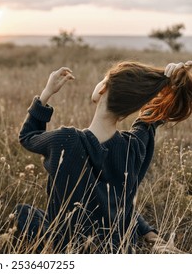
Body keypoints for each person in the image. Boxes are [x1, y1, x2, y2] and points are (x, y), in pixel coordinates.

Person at [15, 60, 192, 253]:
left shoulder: (65, 139)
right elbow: (149, 120)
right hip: (116, 247)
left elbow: (27, 137)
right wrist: (172, 84)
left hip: (67, 248)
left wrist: (46, 93)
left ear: (103, 89)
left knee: (23, 213)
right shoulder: (134, 146)